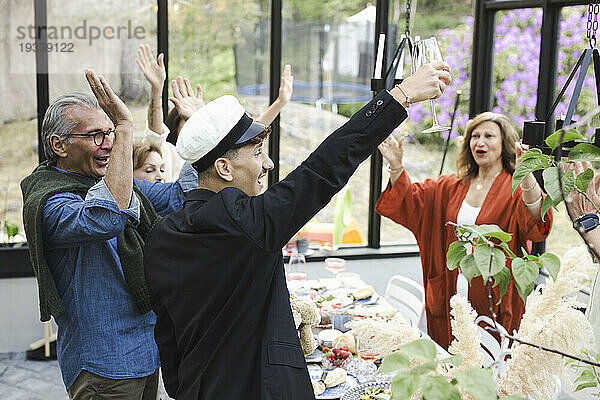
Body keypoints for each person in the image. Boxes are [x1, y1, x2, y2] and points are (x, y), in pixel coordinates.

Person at [143, 61, 451, 399]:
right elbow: (323, 168)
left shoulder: (162, 235)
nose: (268, 163)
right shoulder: (248, 224)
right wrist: (401, 96)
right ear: (224, 168)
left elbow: (168, 340)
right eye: (258, 152)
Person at [20, 69, 195, 399]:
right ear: (59, 145)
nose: (108, 144)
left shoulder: (113, 185)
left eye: (110, 132)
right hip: (103, 365)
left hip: (146, 352)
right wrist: (126, 128)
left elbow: (179, 198)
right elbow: (107, 217)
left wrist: (196, 129)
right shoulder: (50, 201)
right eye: (96, 135)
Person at [376, 112, 554, 350]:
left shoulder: (513, 188)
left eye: (489, 136)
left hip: (492, 300)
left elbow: (537, 222)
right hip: (452, 292)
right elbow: (411, 200)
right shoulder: (452, 186)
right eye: (475, 136)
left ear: (504, 144)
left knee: (489, 368)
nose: (480, 142)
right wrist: (396, 167)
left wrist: (526, 176)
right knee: (449, 364)